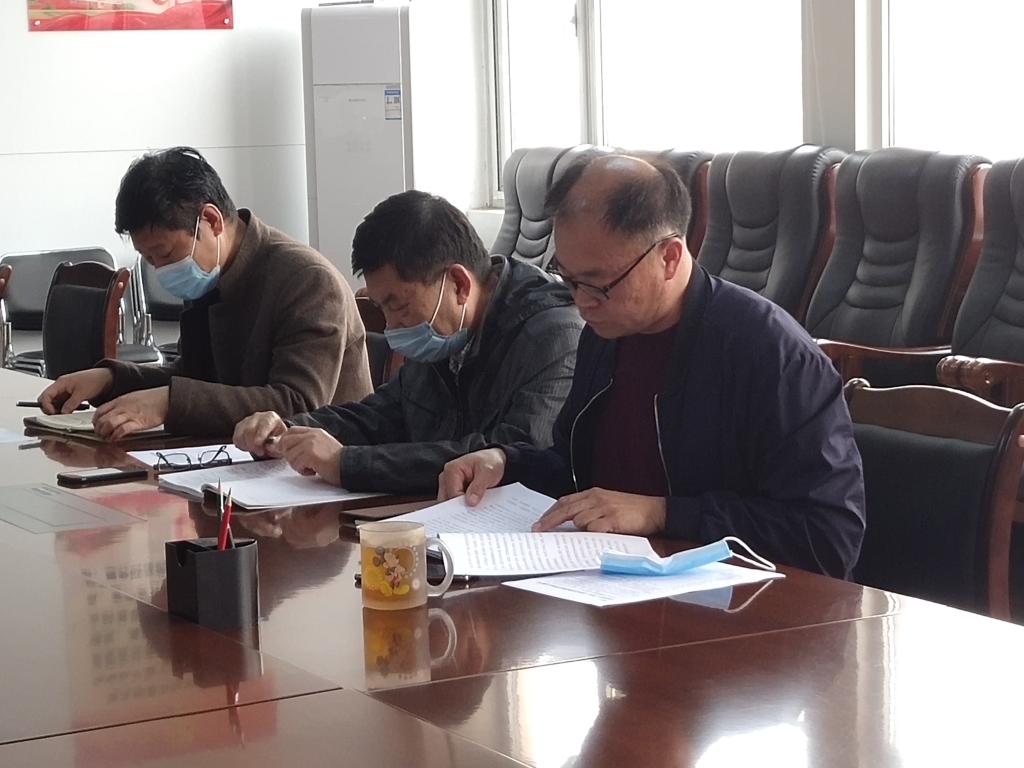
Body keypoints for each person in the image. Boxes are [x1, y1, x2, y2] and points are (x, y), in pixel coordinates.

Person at [438, 153, 866, 578]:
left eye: (599, 284)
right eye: (569, 279)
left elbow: (828, 537)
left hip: (737, 603)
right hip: (614, 585)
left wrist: (663, 513)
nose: (582, 302)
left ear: (670, 257)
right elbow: (578, 469)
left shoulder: (772, 356)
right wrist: (506, 463)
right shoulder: (605, 334)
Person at [233, 190, 583, 495]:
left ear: (459, 284)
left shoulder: (555, 337)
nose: (391, 326)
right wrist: (291, 431)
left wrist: (346, 463)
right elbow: (385, 414)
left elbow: (508, 455)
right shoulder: (446, 330)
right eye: (382, 308)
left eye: (398, 306)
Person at [39, 146, 372, 439]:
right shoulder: (212, 272)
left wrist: (169, 403)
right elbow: (195, 376)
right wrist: (110, 379)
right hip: (238, 459)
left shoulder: (308, 281)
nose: (161, 270)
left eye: (165, 254)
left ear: (211, 221)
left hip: (319, 472)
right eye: (149, 259)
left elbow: (296, 403)